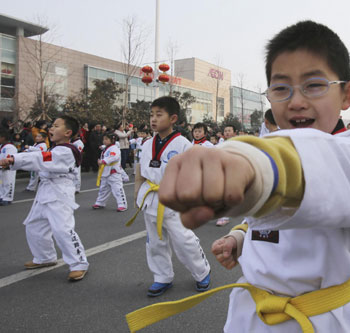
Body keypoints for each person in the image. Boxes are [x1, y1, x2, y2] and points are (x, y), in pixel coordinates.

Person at [127, 20, 350, 333]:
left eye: (314, 85)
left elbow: (305, 170)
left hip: (325, 320)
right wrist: (241, 237)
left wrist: (254, 169)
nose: (296, 100)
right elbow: (277, 220)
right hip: (252, 316)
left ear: (347, 94)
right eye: (280, 88)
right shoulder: (268, 147)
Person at [130, 96, 211, 298]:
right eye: (151, 115)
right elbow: (141, 169)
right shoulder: (147, 144)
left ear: (173, 118)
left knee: (184, 240)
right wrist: (137, 193)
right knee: (155, 241)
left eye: (159, 115)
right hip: (151, 197)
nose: (153, 120)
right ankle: (162, 276)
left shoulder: (183, 144)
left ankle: (202, 271)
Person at [0, 116, 89, 281]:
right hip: (46, 190)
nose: (51, 129)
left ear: (68, 132)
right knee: (34, 226)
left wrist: (14, 160)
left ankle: (79, 263)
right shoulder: (56, 148)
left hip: (59, 191)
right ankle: (45, 257)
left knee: (62, 229)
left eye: (56, 126)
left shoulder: (67, 150)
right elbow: (39, 155)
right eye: (51, 126)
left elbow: (40, 159)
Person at [92, 133, 127, 212]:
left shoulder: (114, 148)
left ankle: (122, 204)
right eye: (104, 139)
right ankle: (100, 202)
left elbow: (114, 157)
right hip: (105, 172)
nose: (104, 141)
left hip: (113, 172)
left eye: (106, 139)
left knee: (117, 189)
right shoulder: (106, 148)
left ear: (113, 140)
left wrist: (103, 161)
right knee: (103, 189)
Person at [216, 124, 239, 227]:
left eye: (229, 130)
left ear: (234, 132)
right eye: (225, 131)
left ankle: (225, 216)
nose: (227, 132)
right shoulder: (221, 144)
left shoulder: (238, 144)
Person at [0, 128, 17, 206]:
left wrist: (4, 166)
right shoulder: (0, 146)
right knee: (1, 183)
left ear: (3, 138)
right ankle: (2, 196)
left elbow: (9, 159)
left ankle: (8, 198)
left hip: (8, 169)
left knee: (8, 182)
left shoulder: (10, 147)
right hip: (0, 168)